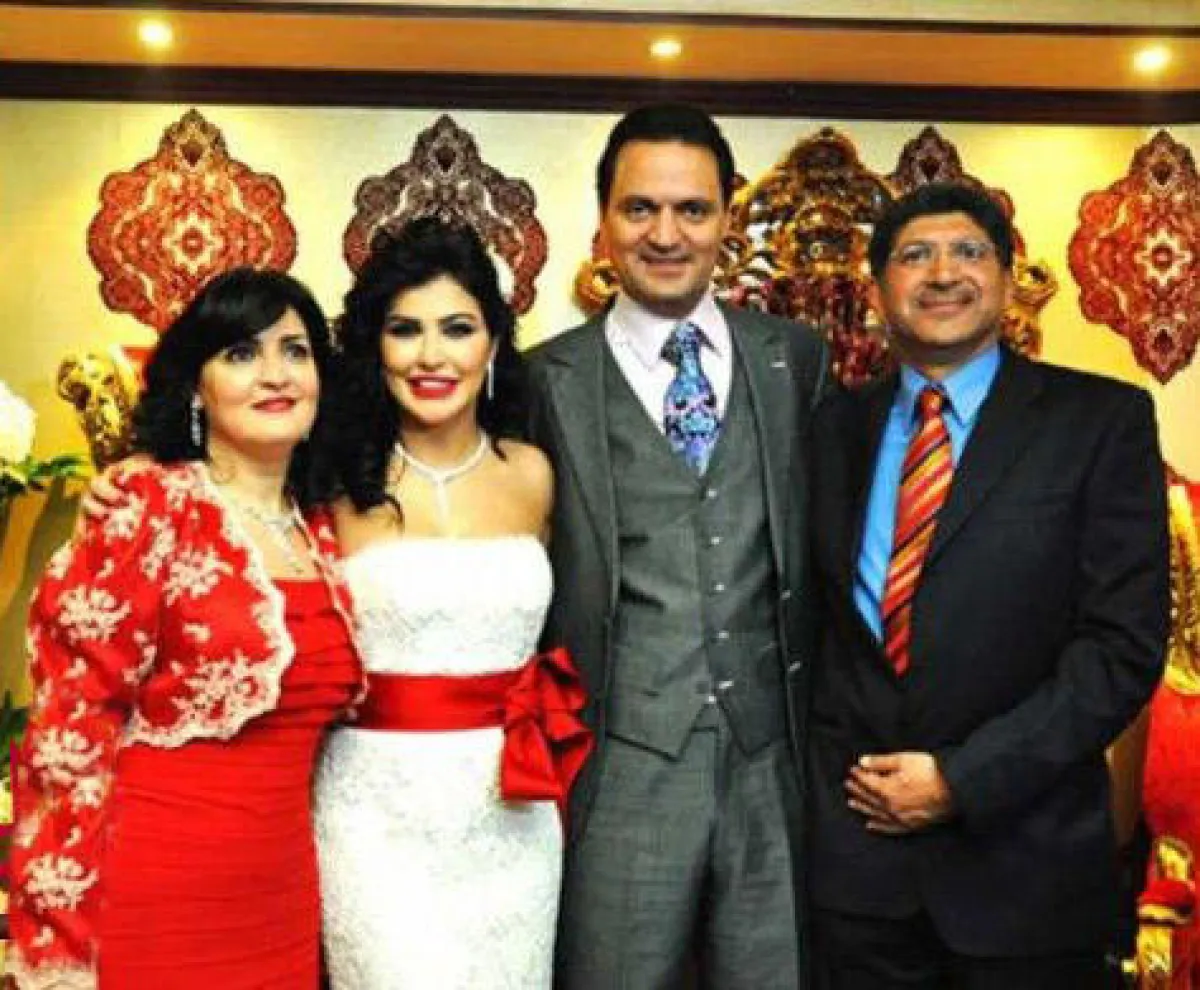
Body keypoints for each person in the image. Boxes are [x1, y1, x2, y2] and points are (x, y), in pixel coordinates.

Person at [806, 182, 1170, 989]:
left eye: (969, 252)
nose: (943, 273)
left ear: (1007, 282)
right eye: (915, 256)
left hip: (1026, 872)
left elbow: (1121, 648)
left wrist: (961, 781)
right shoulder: (831, 429)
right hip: (858, 880)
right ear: (878, 291)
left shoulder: (1099, 422)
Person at [524, 104, 829, 989]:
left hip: (772, 759)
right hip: (622, 760)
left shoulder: (794, 360)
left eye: (692, 209)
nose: (666, 234)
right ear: (603, 220)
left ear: (728, 218)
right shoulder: (545, 379)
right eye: (640, 208)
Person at [5, 268, 363, 989]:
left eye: (295, 351)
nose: (275, 374)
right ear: (196, 387)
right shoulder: (148, 505)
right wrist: (56, 944)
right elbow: (68, 730)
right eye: (240, 353)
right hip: (159, 890)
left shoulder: (323, 526)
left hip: (283, 898)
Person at [312, 216, 591, 988]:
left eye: (457, 329)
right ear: (375, 348)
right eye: (405, 330)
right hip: (373, 819)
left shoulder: (535, 473)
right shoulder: (332, 482)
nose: (431, 355)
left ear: (493, 345)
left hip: (514, 817)